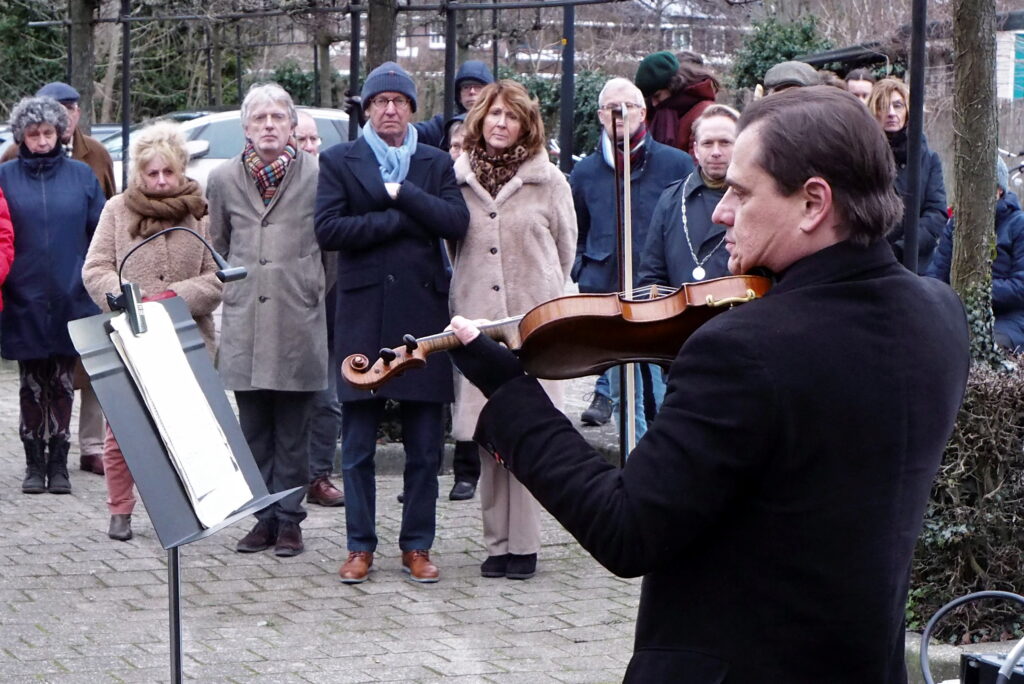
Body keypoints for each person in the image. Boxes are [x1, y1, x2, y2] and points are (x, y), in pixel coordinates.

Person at [446, 86, 970, 681]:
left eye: (741, 195)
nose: (721, 212)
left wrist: (511, 393)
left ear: (813, 203)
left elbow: (625, 527)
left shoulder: (745, 349)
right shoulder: (940, 315)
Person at [315, 62, 469, 584]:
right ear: (366, 108)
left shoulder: (434, 161)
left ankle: (417, 546)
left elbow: (455, 222)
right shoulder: (340, 160)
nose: (389, 109)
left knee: (425, 446)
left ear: (411, 109)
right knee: (356, 446)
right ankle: (360, 546)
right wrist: (399, 216)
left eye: (399, 101)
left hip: (422, 316)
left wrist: (408, 194)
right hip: (361, 316)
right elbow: (329, 228)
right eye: (380, 101)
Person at [449, 80, 576, 581]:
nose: (501, 123)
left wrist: (540, 294)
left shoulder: (551, 182)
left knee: (528, 434)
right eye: (493, 114)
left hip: (532, 326)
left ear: (527, 124)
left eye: (512, 116)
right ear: (479, 119)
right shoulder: (457, 180)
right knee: (488, 435)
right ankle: (496, 542)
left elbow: (566, 251)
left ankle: (523, 545)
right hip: (477, 325)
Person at [81, 121, 223, 541]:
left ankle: (188, 507)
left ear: (181, 171)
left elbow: (216, 278)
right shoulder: (116, 210)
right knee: (124, 431)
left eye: (168, 173)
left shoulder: (200, 211)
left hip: (186, 339)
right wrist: (123, 297)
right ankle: (120, 509)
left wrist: (174, 297)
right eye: (151, 173)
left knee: (184, 432)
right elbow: (94, 269)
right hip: (130, 336)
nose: (160, 181)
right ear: (138, 174)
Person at [208, 83, 328, 558]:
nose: (269, 126)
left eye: (278, 117)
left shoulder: (318, 174)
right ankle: (263, 519)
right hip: (245, 324)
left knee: (295, 430)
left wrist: (308, 289)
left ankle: (291, 520)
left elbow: (331, 254)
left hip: (298, 319)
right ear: (245, 127)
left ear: (293, 126)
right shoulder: (221, 179)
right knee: (254, 428)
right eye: (260, 119)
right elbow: (217, 244)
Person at [1, 82, 115, 477]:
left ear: (59, 132)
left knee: (65, 385)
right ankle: (34, 463)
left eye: (48, 132)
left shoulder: (83, 176)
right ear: (22, 136)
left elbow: (101, 232)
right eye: (34, 134)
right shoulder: (5, 177)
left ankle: (59, 462)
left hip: (71, 294)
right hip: (23, 297)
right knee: (32, 386)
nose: (42, 140)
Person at [570, 77, 693, 432]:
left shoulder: (675, 165)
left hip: (657, 295)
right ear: (600, 115)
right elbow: (575, 229)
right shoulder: (586, 172)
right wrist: (584, 268)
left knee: (660, 387)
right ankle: (634, 460)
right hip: (605, 293)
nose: (620, 114)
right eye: (612, 108)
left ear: (643, 112)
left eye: (628, 107)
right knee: (624, 389)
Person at [293, 110, 346, 509]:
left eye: (314, 140)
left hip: (329, 312)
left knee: (328, 400)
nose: (311, 147)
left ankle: (318, 475)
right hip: (288, 314)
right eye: (303, 140)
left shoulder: (333, 184)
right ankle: (285, 483)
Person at [927, 157, 1024, 352]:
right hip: (956, 313)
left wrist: (974, 291)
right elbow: (935, 275)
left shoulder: (1019, 225)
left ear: (1000, 190)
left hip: (1009, 318)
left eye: (983, 185)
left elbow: (1021, 286)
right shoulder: (956, 225)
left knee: (985, 349)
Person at [637, 104, 739, 288]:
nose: (716, 152)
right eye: (708, 143)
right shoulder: (671, 199)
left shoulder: (756, 199)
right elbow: (651, 275)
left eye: (725, 142)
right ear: (696, 150)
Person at [868, 77, 948, 273]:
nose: (891, 113)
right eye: (883, 106)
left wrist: (903, 247)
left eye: (898, 106)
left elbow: (936, 213)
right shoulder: (864, 155)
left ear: (908, 111)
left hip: (915, 265)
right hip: (871, 262)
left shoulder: (928, 159)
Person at [635, 51, 718, 154]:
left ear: (673, 86)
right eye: (649, 99)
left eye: (657, 96)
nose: (654, 104)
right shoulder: (654, 113)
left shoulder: (705, 112)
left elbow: (701, 162)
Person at [416, 60, 494, 149]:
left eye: (478, 87)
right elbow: (411, 133)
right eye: (466, 87)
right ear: (459, 96)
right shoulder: (442, 124)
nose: (472, 91)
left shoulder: (498, 124)